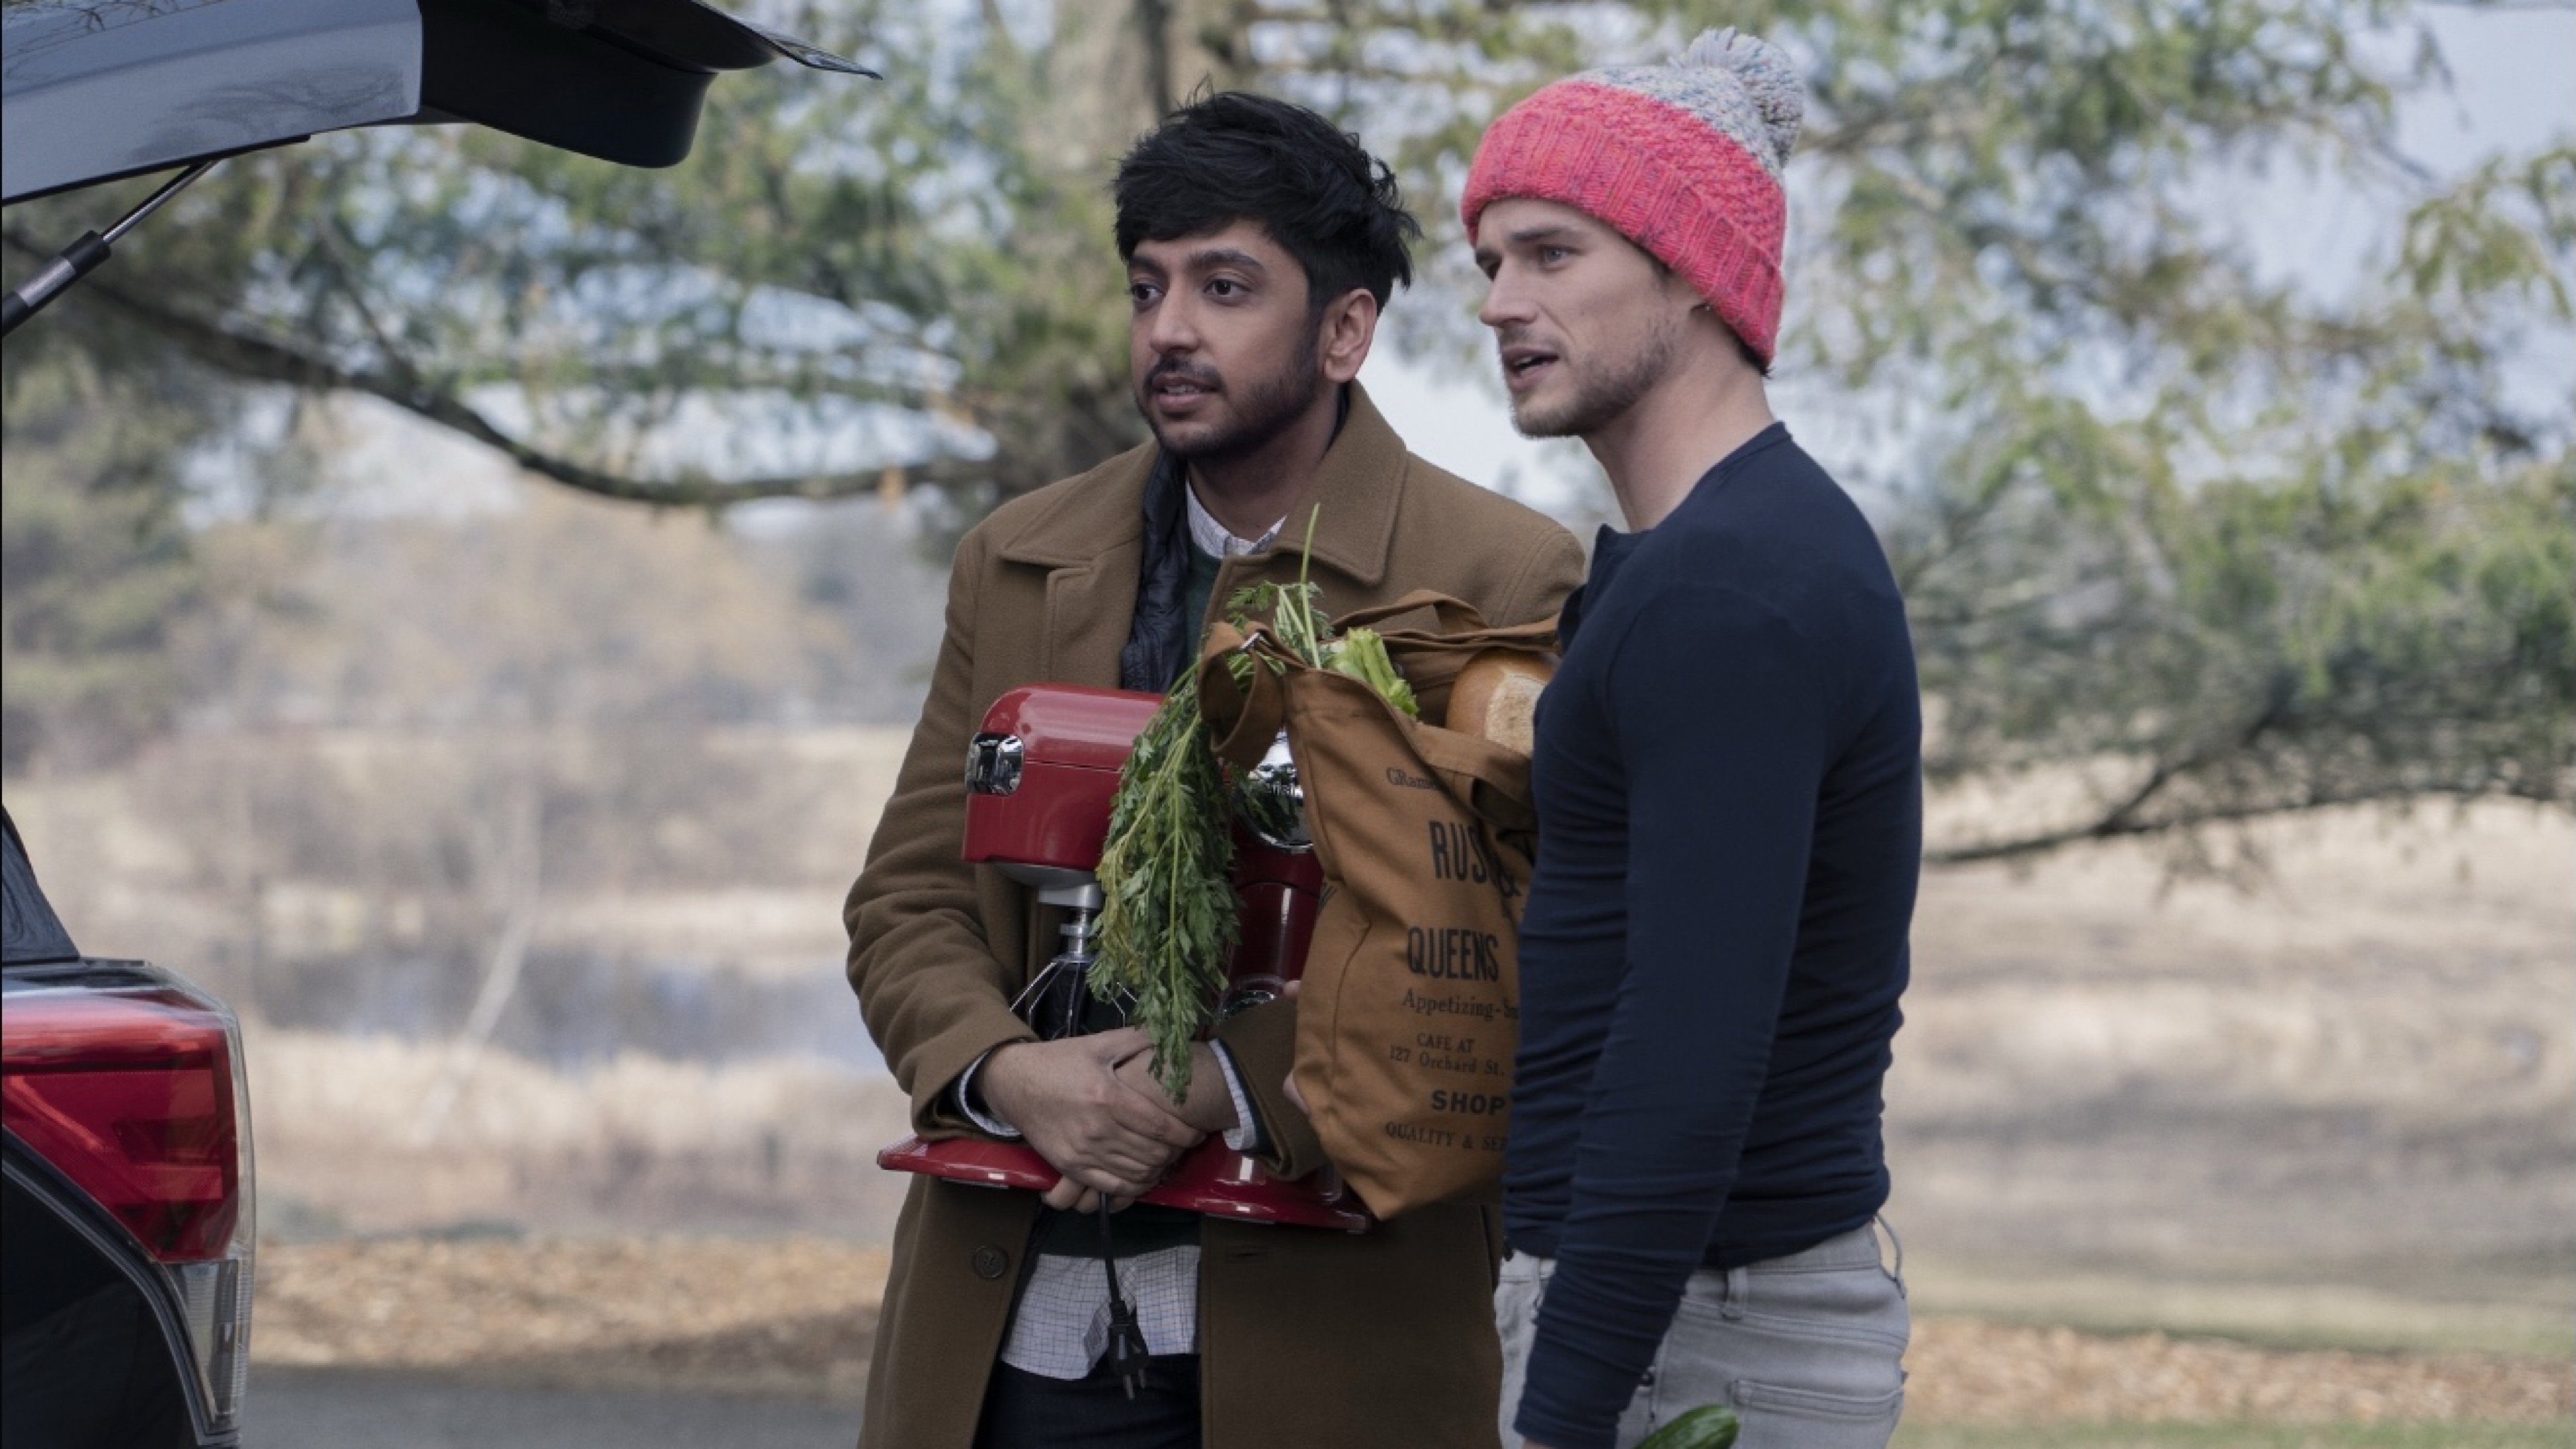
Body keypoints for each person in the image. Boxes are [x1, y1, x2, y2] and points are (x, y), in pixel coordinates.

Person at [845, 91, 1585, 1449]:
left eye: (1225, 287)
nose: (1170, 329)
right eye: (1149, 287)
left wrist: (1219, 1082)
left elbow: (1509, 948)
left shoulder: (1501, 580)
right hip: (1008, 1332)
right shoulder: (1016, 558)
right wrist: (1011, 1075)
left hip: (1332, 1343)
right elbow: (909, 900)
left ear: (1345, 331)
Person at [1460, 30, 1923, 1449]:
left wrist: (1562, 1415)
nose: (1499, 301)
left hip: (1696, 1332)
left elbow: (1689, 1051)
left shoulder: (1726, 591)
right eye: (1490, 261)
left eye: (1552, 253)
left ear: (1695, 268)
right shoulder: (1721, 560)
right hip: (1694, 1314)